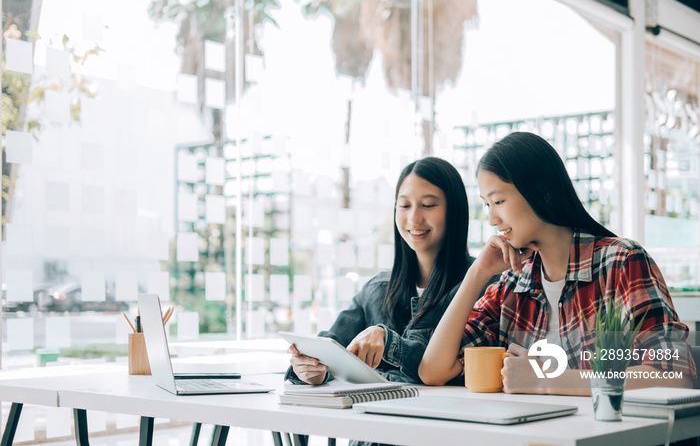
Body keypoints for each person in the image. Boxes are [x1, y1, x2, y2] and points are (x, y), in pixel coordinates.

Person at [419, 132, 697, 395]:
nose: (492, 219)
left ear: (543, 193)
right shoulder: (511, 285)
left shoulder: (621, 263)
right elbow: (434, 371)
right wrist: (477, 274)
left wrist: (547, 379)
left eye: (499, 201)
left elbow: (673, 376)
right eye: (487, 205)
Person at [286, 156, 479, 386]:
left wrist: (389, 343)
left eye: (428, 205)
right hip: (373, 418)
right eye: (405, 205)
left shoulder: (482, 283)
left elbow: (455, 368)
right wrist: (309, 367)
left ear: (454, 211)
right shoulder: (377, 289)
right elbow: (332, 346)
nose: (414, 218)